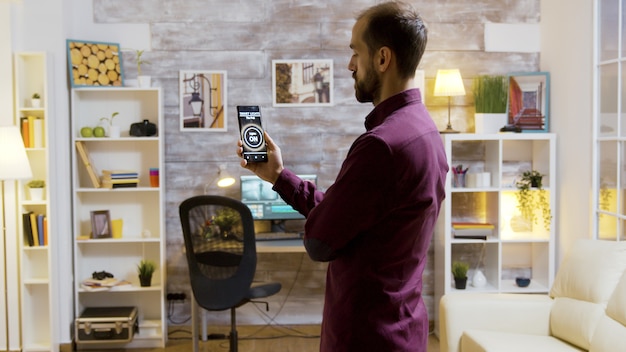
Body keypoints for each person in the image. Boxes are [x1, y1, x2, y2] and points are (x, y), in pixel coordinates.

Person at [237, 1, 448, 351]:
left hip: (365, 336)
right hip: (404, 327)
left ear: (382, 59)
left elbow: (320, 241)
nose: (350, 65)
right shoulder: (425, 131)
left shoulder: (381, 146)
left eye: (355, 52)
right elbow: (346, 218)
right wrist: (278, 175)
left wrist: (317, 221)